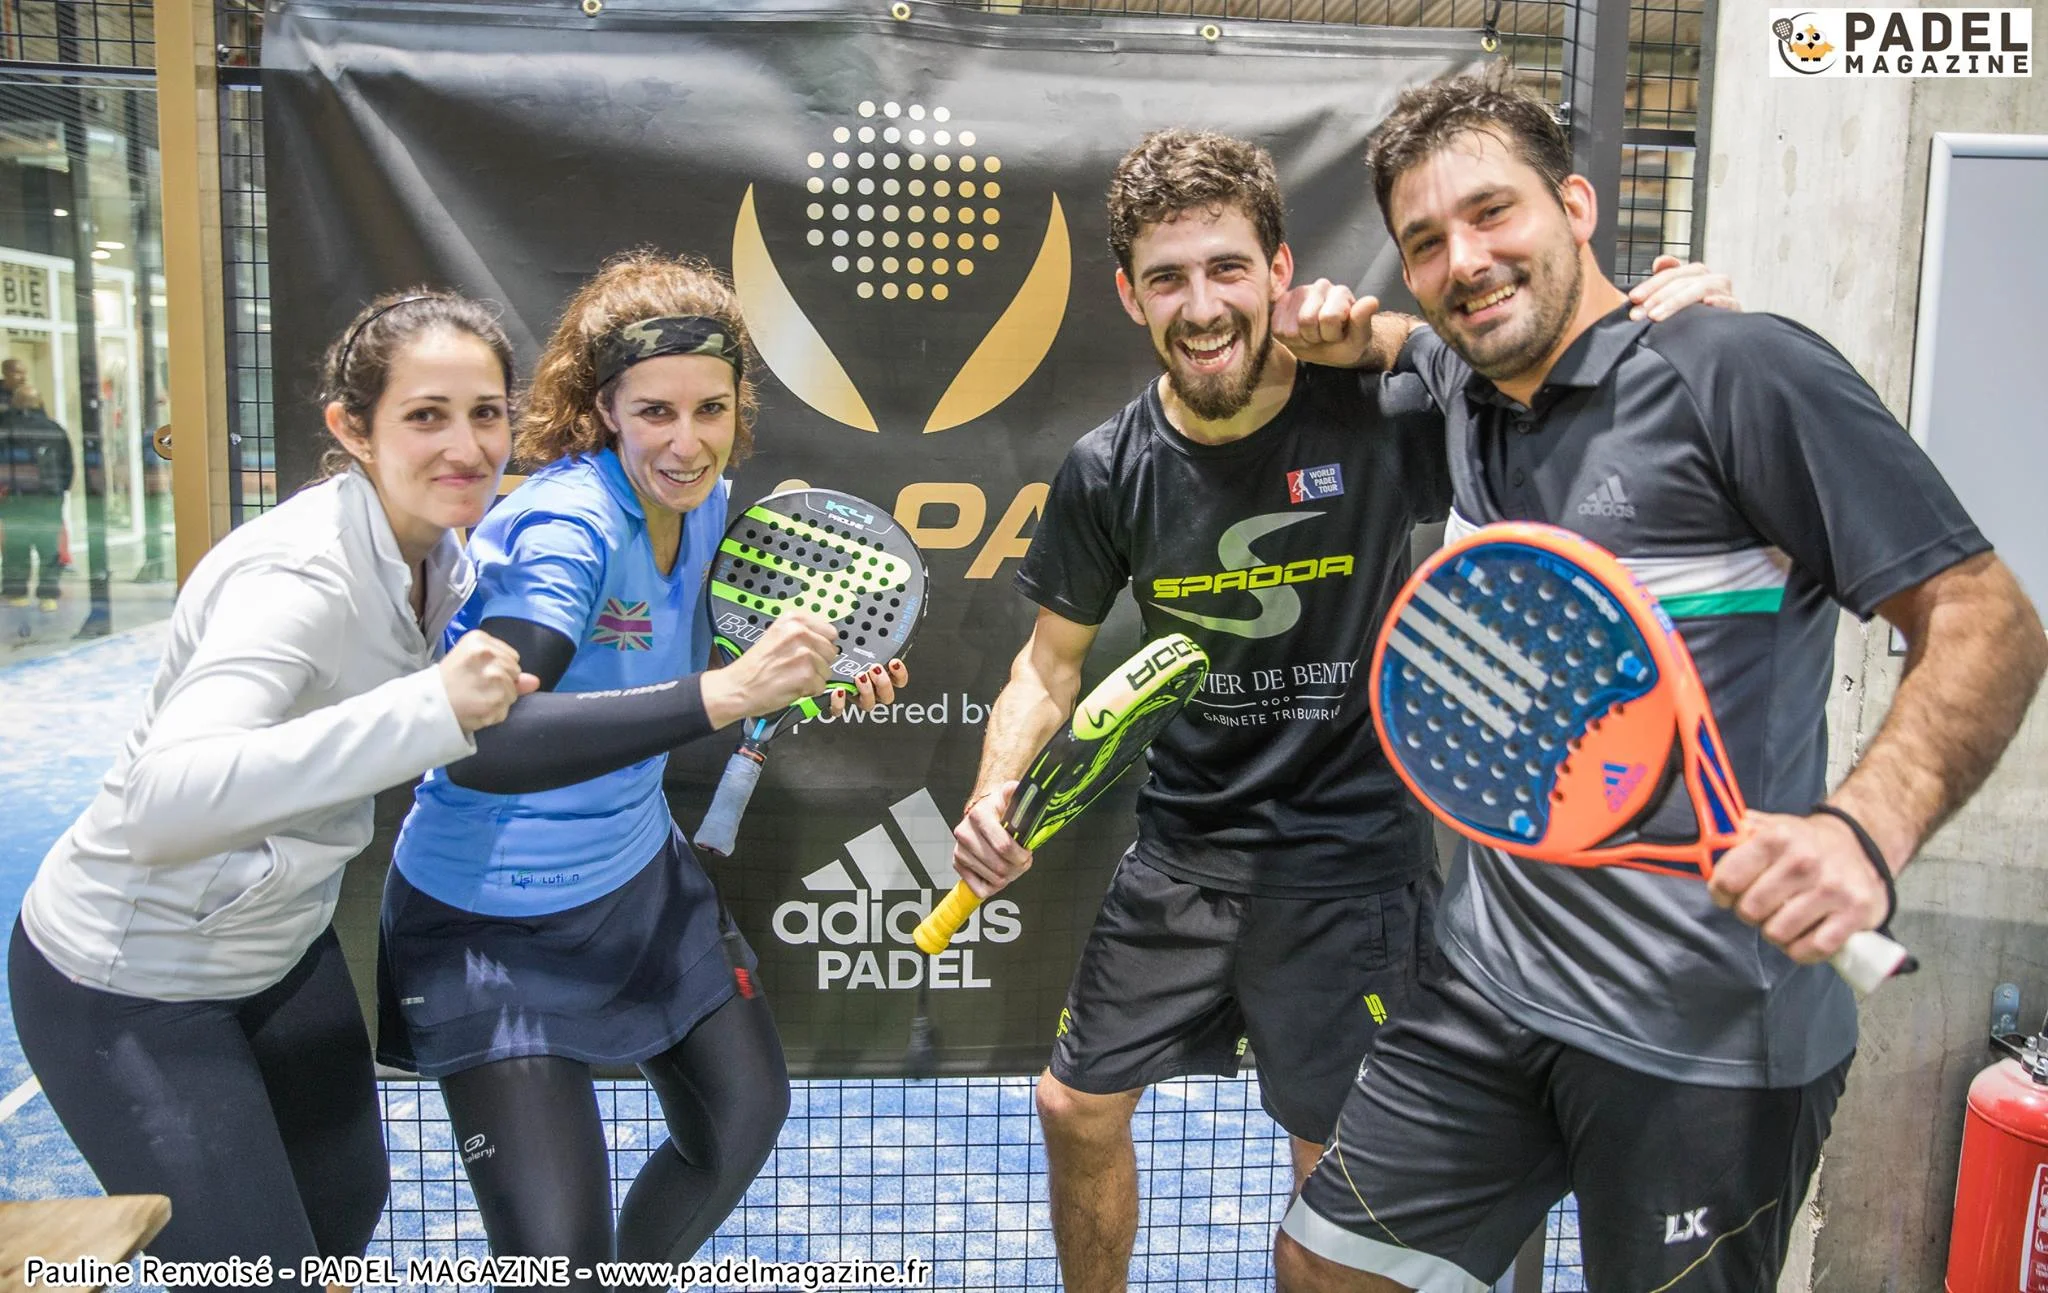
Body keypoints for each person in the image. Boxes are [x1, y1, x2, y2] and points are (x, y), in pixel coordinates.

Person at [1269, 70, 2048, 1293]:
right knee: (1326, 1269)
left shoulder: (1736, 371)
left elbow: (1983, 617)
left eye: (1493, 214)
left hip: (1706, 1040)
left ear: (1576, 205)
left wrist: (1863, 830)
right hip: (1491, 986)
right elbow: (1404, 344)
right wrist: (1338, 332)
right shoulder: (1465, 391)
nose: (1464, 259)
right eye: (1424, 242)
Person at [947, 129, 1733, 1293]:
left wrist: (1663, 321)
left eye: (1225, 269)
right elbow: (1044, 666)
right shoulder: (1106, 467)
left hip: (1350, 865)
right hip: (1181, 858)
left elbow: (1538, 381)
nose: (1200, 305)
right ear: (1127, 295)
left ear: (1276, 269)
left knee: (1337, 1186)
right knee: (1071, 1106)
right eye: (1167, 278)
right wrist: (993, 787)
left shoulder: (1381, 412)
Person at [376, 250, 910, 1277]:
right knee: (554, 1259)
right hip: (488, 921)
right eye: (654, 411)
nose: (686, 440)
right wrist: (731, 693)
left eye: (710, 408)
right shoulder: (567, 528)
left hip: (635, 877)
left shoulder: (706, 504)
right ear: (604, 406)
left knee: (741, 1120)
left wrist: (796, 675)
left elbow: (675, 665)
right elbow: (483, 745)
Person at [8, 291, 535, 1270]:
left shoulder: (446, 558)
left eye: (486, 413)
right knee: (256, 1269)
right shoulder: (296, 580)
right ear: (353, 428)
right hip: (130, 979)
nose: (465, 445)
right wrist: (430, 712)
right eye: (426, 415)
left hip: (277, 949)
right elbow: (165, 804)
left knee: (344, 1203)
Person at [0, 384, 73, 611]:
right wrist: (60, 491)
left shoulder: (5, 428)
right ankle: (48, 596)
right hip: (48, 498)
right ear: (40, 403)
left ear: (14, 403)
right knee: (49, 547)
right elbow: (67, 466)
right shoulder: (54, 429)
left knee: (15, 547)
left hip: (14, 498)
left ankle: (16, 593)